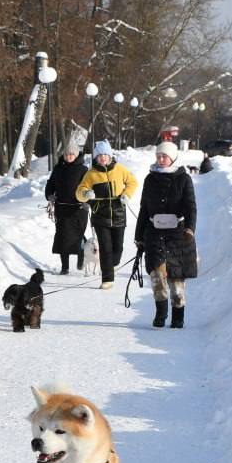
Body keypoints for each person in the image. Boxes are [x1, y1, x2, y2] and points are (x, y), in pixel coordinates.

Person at [135, 142, 197, 328]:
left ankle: (178, 316)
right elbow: (144, 209)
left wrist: (190, 229)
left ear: (173, 157)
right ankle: (160, 313)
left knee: (176, 279)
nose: (161, 159)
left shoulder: (184, 179)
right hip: (154, 233)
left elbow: (191, 206)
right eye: (158, 156)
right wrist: (139, 236)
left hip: (178, 234)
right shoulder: (150, 178)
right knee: (157, 276)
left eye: (165, 156)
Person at [75, 140, 137, 289]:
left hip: (118, 214)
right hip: (100, 215)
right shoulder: (91, 174)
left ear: (110, 156)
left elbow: (132, 182)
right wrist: (86, 193)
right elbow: (78, 193)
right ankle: (107, 279)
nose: (103, 158)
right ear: (96, 157)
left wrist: (126, 195)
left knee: (118, 248)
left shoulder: (120, 169)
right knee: (105, 248)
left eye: (105, 155)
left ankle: (113, 264)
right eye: (99, 155)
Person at [44, 143, 89, 274]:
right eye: (66, 154)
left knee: (78, 235)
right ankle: (65, 267)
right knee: (63, 237)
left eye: (71, 154)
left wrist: (88, 201)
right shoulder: (58, 168)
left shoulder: (83, 170)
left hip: (79, 209)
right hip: (62, 208)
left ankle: (81, 254)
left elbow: (88, 187)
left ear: (76, 155)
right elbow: (50, 184)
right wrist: (50, 195)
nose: (69, 157)